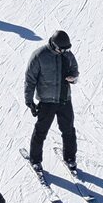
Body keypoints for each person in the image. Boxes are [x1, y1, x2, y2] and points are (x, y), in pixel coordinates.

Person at [26, 30, 79, 171]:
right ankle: (35, 160)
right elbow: (30, 79)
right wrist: (29, 100)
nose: (64, 51)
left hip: (64, 99)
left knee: (68, 131)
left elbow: (75, 69)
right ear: (54, 45)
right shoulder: (39, 56)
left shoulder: (67, 54)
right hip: (47, 101)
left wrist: (73, 77)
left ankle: (70, 158)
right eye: (62, 49)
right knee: (40, 132)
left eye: (66, 49)